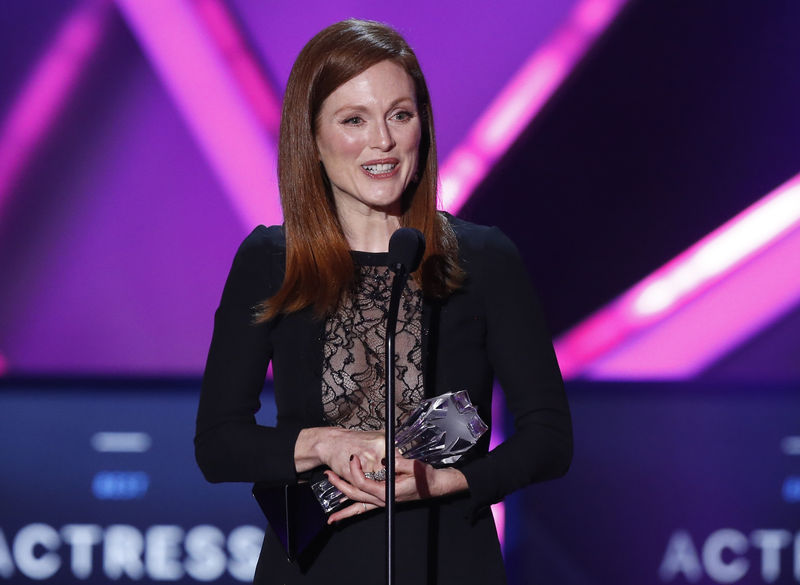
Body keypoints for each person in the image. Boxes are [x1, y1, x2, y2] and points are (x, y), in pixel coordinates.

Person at [195, 18, 572, 585]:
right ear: (313, 139)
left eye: (400, 115)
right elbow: (218, 443)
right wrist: (327, 443)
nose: (384, 142)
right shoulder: (271, 261)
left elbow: (549, 437)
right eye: (354, 120)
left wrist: (450, 481)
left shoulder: (483, 258)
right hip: (314, 567)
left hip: (448, 561)